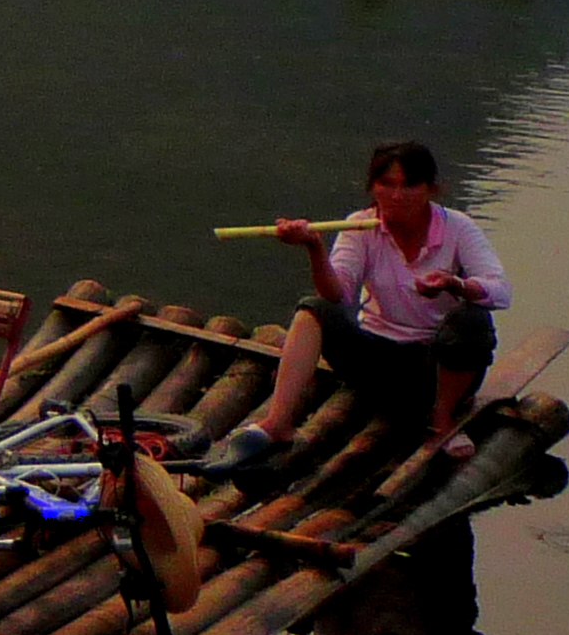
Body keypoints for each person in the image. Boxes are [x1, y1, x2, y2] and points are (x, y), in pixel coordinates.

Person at [200, 140, 504, 477]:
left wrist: (455, 284)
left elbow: (499, 291)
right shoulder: (360, 226)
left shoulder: (458, 228)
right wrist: (314, 247)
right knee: (312, 309)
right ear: (373, 187)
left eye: (409, 186)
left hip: (433, 368)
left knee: (473, 318)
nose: (397, 196)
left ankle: (441, 419)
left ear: (430, 189)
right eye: (386, 185)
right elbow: (336, 294)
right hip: (378, 356)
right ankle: (277, 423)